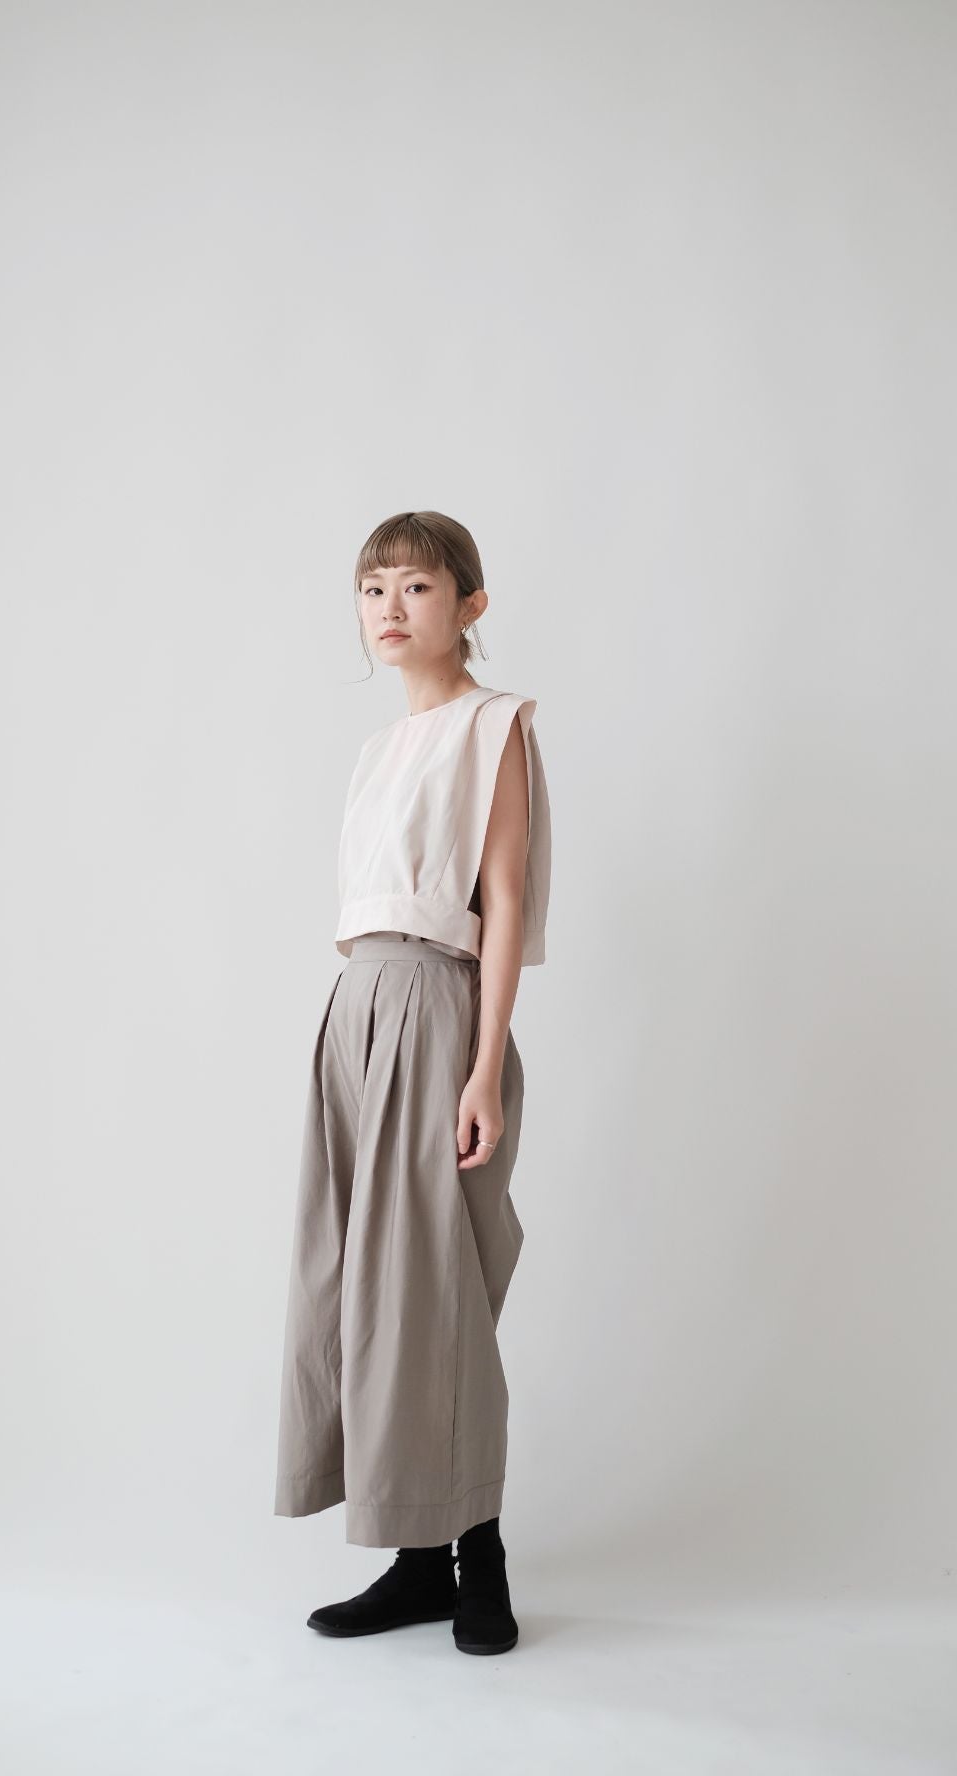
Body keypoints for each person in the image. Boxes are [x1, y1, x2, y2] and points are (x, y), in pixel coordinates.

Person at [274, 509, 551, 1656]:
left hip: (439, 1010)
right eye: (371, 588)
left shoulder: (493, 726)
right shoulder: (374, 754)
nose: (389, 608)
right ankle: (416, 1560)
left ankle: (478, 1560)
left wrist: (481, 1068)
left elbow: (504, 905)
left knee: (432, 1294)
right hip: (355, 1011)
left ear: (469, 606)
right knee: (353, 1287)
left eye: (417, 586)